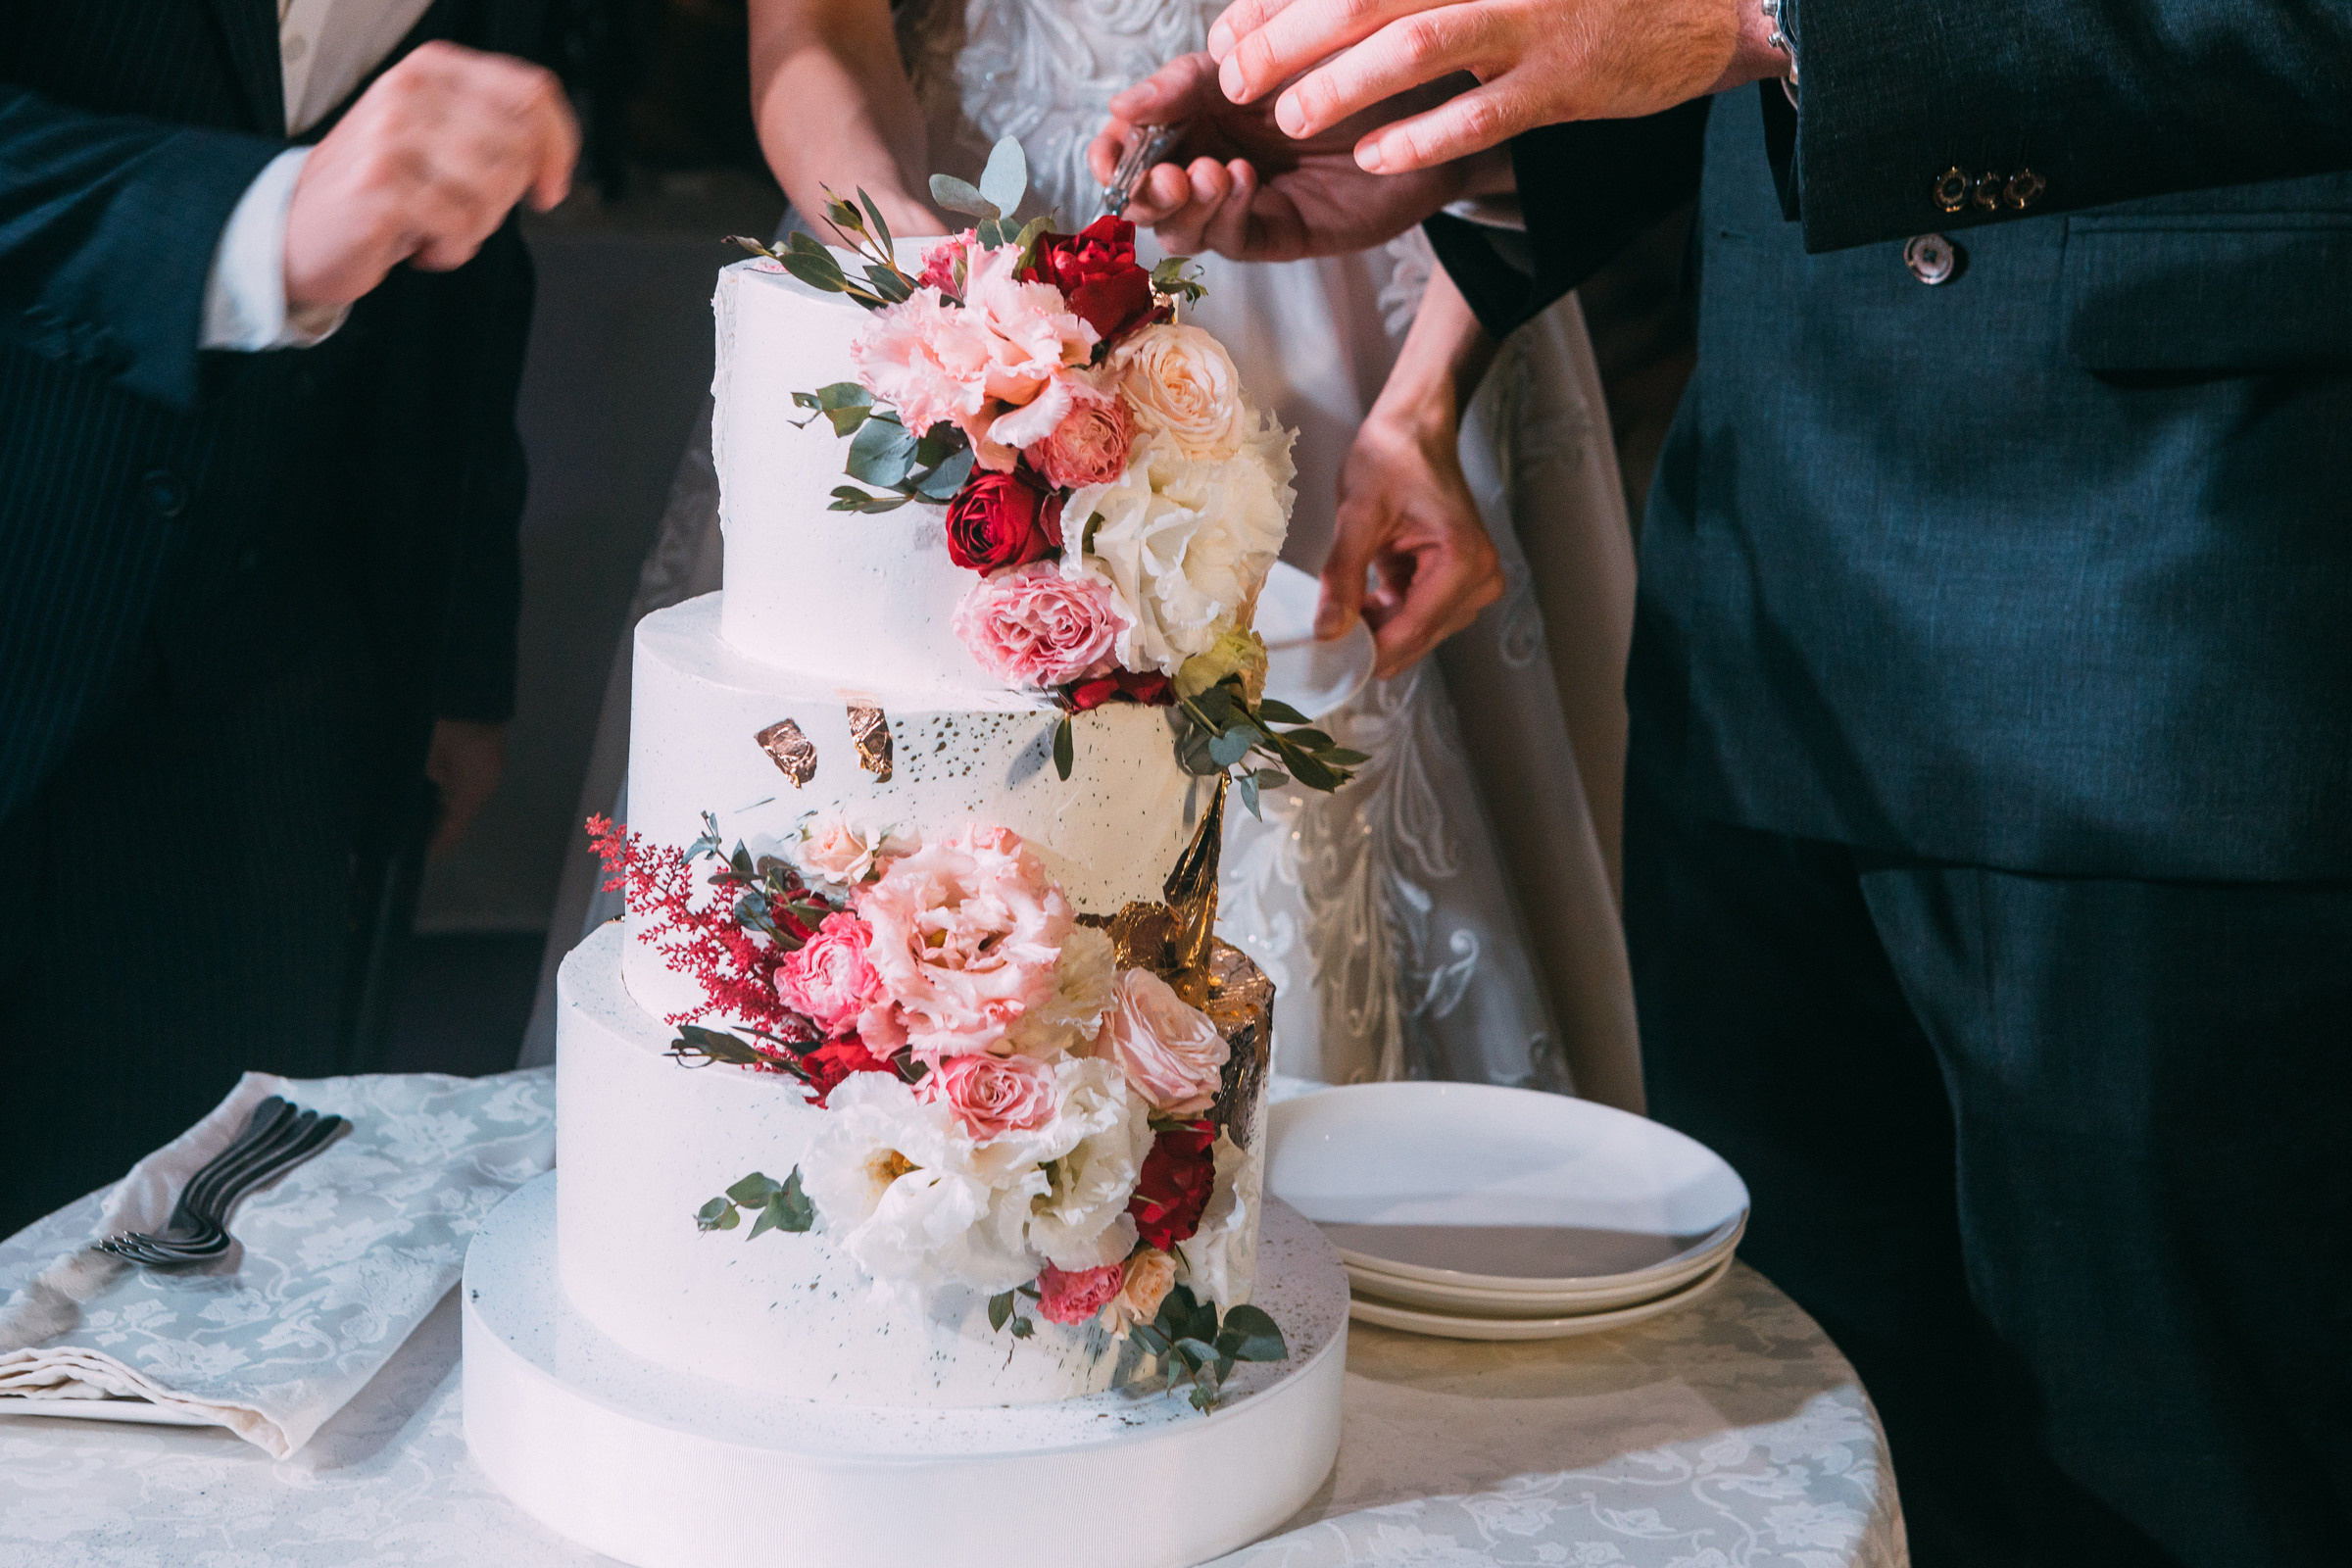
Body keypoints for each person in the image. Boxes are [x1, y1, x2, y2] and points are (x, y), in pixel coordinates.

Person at [1099, 2, 2352, 1562]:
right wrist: (1474, 141)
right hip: (1773, 608)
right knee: (1823, 1456)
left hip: (2189, 603)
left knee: (2193, 1470)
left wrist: (1767, 17)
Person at [534, 0, 1646, 1102]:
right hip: (942, 242)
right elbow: (817, 34)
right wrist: (943, 299)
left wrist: (1429, 396)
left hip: (1379, 264)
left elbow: (1545, 37)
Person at [0, 3, 576, 1237]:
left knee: (177, 1275)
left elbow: (470, 268)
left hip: (267, 693)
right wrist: (254, 223)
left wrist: (459, 658)